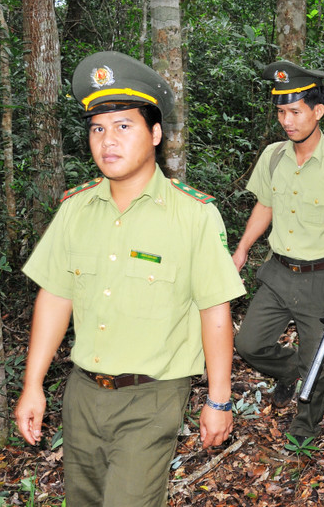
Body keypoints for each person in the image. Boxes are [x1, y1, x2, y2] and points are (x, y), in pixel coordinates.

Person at [14, 51, 245, 507]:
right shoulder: (75, 210)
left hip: (152, 396)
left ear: (155, 134)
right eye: (98, 128)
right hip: (81, 394)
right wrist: (32, 384)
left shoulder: (193, 215)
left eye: (124, 125)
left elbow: (214, 310)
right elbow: (55, 298)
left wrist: (219, 399)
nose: (108, 140)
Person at [232, 60, 324, 445]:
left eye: (295, 111)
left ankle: (304, 429)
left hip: (321, 277)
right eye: (280, 112)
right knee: (249, 344)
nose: (286, 121)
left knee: (319, 363)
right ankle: (290, 369)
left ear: (318, 111)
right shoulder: (274, 156)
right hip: (277, 273)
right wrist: (241, 250)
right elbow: (265, 207)